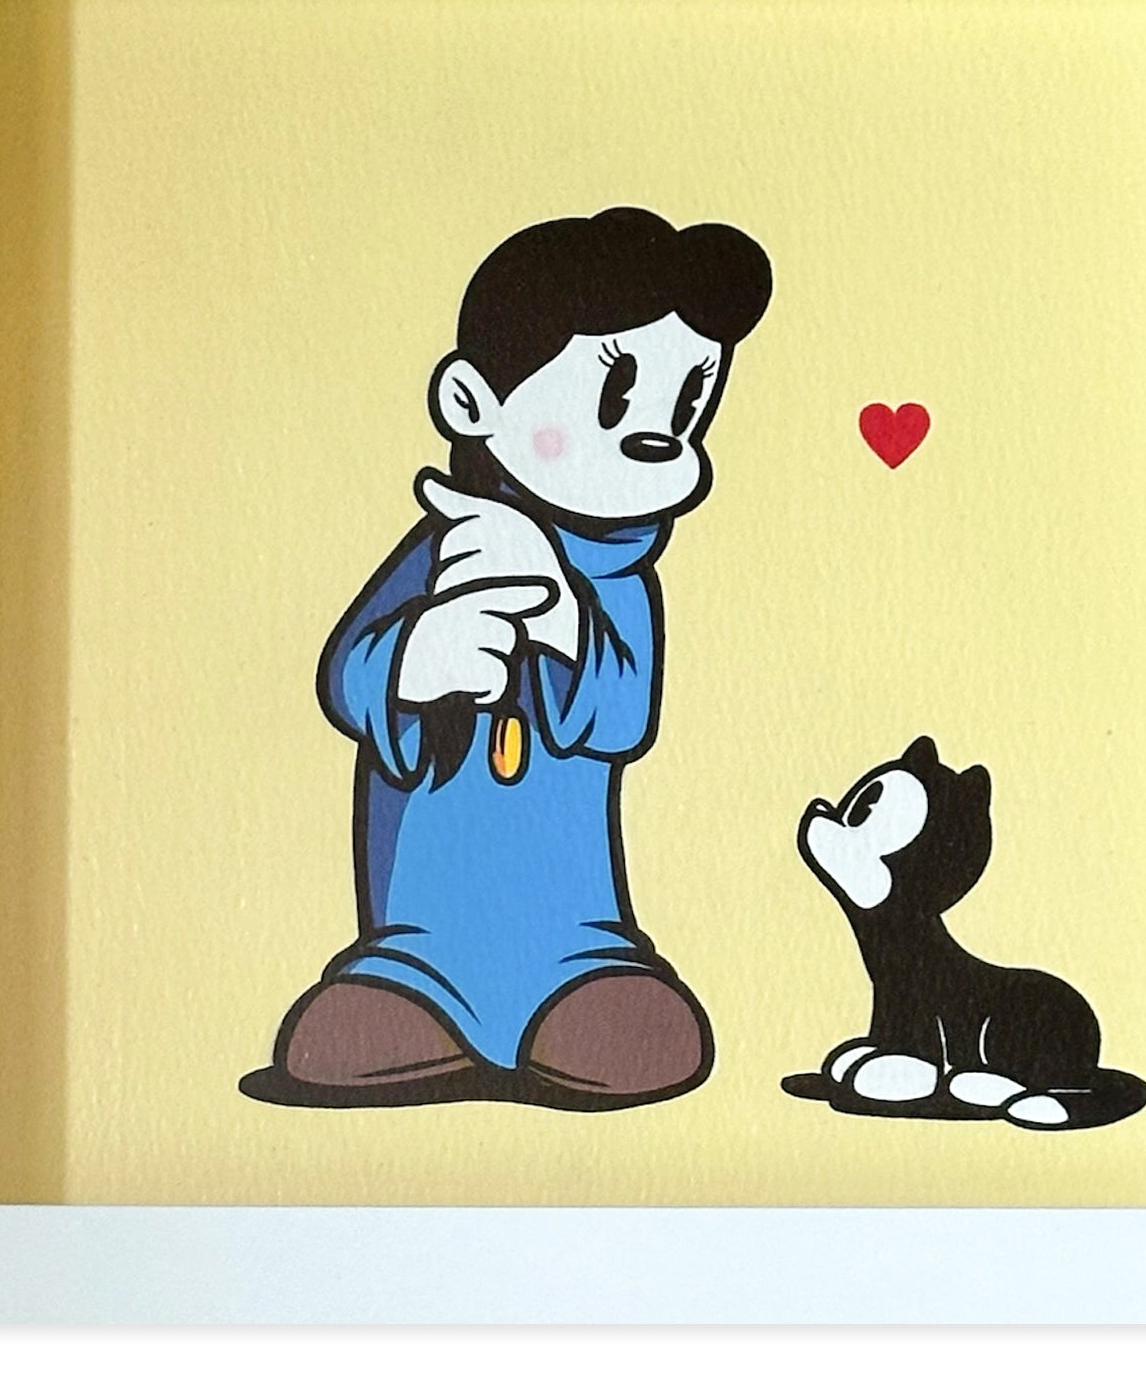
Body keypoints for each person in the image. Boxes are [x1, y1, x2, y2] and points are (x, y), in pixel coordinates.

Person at [245, 206, 772, 1110]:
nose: (657, 438)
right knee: (342, 1036)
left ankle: (585, 997)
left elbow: (624, 713)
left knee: (636, 1031)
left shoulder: (615, 581)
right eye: (614, 400)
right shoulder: (440, 553)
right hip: (419, 939)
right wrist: (417, 658)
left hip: (575, 939)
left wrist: (561, 611)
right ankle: (413, 1001)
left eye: (687, 409)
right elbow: (347, 676)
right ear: (470, 403)